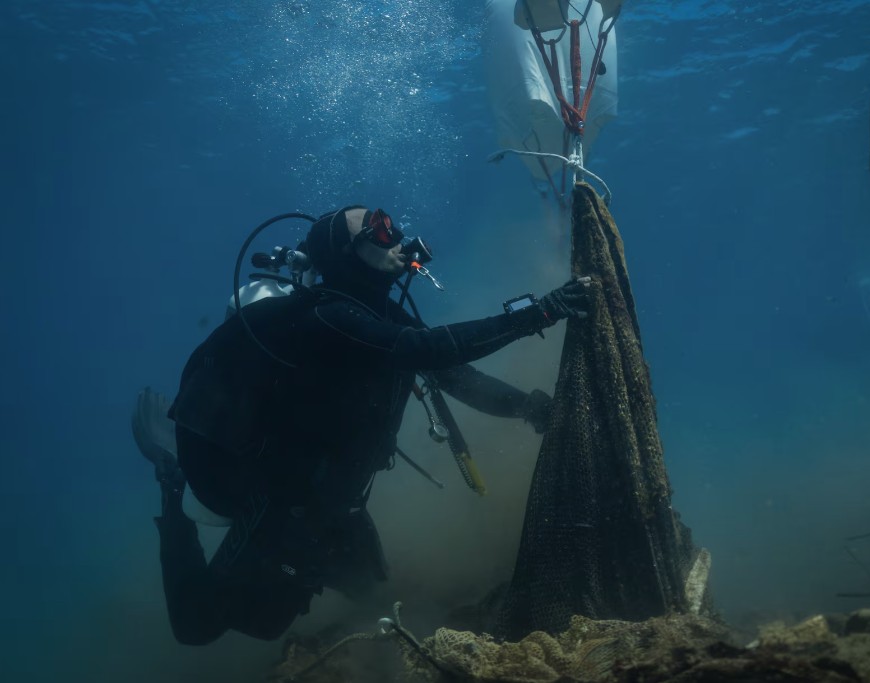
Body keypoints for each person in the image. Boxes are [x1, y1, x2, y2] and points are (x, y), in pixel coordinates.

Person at [132, 204, 591, 645]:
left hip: (342, 506)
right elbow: (426, 350)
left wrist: (532, 409)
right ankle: (172, 485)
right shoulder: (327, 317)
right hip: (283, 512)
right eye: (377, 229)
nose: (394, 236)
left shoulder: (384, 316)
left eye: (389, 224)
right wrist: (540, 312)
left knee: (375, 596)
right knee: (200, 628)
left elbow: (457, 377)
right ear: (345, 253)